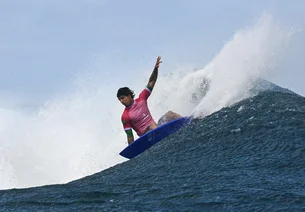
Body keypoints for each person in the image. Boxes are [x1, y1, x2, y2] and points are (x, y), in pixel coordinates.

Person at [117, 56, 182, 145]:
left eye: (122, 98)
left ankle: (189, 122)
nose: (121, 101)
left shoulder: (142, 98)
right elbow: (130, 136)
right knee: (151, 125)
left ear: (129, 95)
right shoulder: (125, 116)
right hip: (146, 137)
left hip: (156, 128)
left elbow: (151, 81)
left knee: (170, 114)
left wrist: (155, 69)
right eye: (119, 99)